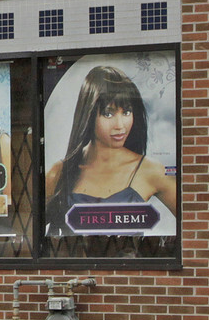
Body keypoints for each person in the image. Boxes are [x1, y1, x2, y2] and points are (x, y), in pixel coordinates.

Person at [44, 64, 179, 234]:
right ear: (89, 114)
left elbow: (197, 220)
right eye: (108, 114)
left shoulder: (150, 170)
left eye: (127, 112)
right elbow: (28, 232)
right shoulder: (58, 174)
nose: (120, 125)